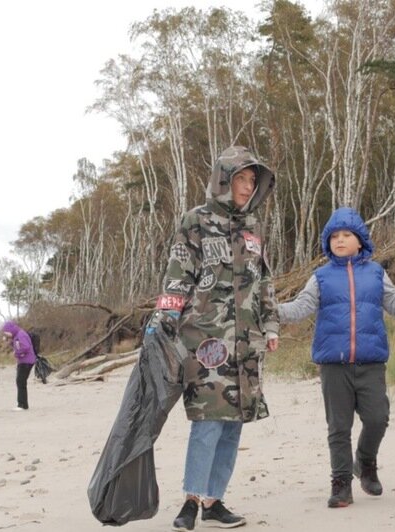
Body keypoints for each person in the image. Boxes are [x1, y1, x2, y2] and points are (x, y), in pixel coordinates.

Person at [149, 146, 279, 531]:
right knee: (208, 419)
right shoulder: (196, 221)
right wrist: (166, 317)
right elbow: (177, 273)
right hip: (206, 343)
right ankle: (190, 500)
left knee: (234, 421)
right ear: (223, 179)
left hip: (246, 343)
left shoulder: (253, 227)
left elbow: (264, 281)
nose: (246, 187)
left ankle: (214, 501)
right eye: (240, 178)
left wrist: (270, 326)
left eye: (252, 180)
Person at [277, 207, 395, 508]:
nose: (340, 240)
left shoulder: (376, 273)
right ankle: (341, 484)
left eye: (346, 235)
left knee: (378, 418)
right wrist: (272, 309)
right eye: (334, 236)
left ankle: (365, 463)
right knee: (338, 427)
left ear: (360, 241)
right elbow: (300, 309)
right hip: (334, 365)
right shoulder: (320, 278)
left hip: (371, 363)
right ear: (327, 243)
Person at [2, 321, 36, 411]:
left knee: (20, 381)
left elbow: (26, 347)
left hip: (27, 361)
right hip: (22, 361)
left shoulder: (21, 334)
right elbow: (17, 345)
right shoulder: (16, 336)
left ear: (11, 329)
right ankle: (23, 404)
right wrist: (9, 342)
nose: (7, 334)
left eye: (7, 332)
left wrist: (16, 353)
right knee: (20, 381)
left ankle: (22, 404)